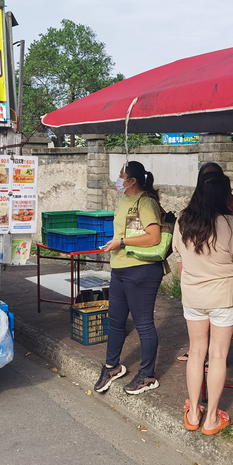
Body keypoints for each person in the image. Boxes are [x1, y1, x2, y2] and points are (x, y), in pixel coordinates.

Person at [173, 172, 233, 435]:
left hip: (193, 296)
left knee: (196, 352)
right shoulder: (232, 224)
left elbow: (180, 257)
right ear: (225, 195)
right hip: (223, 298)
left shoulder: (183, 220)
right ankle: (212, 420)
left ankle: (194, 412)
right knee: (217, 356)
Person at [94, 161, 165, 395]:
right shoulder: (125, 200)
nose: (118, 179)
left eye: (121, 175)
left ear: (132, 180)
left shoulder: (146, 202)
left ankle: (148, 375)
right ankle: (111, 367)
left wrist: (122, 242)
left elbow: (153, 237)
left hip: (142, 270)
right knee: (115, 320)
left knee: (143, 323)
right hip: (121, 268)